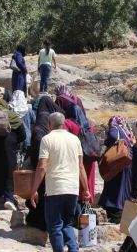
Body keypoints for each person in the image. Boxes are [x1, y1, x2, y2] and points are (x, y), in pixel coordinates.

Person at [29, 112, 90, 252]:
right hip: (72, 188)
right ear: (63, 123)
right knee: (67, 223)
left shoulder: (47, 139)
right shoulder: (75, 139)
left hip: (55, 188)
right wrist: (86, 189)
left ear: (49, 124)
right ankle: (73, 249)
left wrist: (34, 189)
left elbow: (42, 166)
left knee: (55, 225)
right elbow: (81, 166)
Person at [25, 95, 64, 230]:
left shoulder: (38, 129)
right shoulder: (53, 129)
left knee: (40, 197)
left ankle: (40, 223)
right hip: (54, 169)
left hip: (41, 167)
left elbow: (37, 154)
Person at [61, 88, 97, 204]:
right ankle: (87, 201)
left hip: (76, 157)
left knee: (77, 180)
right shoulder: (90, 126)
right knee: (88, 179)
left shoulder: (68, 123)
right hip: (89, 156)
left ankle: (78, 204)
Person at [99, 116, 133, 223]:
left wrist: (108, 142)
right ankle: (121, 213)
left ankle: (115, 214)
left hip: (117, 162)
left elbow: (113, 137)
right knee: (122, 187)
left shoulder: (115, 128)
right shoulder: (125, 131)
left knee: (114, 187)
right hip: (124, 163)